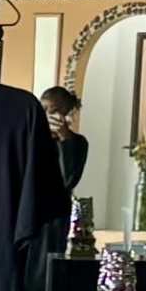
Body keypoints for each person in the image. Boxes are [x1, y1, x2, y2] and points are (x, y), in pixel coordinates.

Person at [38, 85, 90, 245]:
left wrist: (64, 139)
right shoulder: (32, 137)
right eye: (42, 109)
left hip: (56, 218)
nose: (46, 115)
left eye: (52, 111)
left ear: (65, 115)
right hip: (28, 214)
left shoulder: (78, 143)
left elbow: (68, 180)